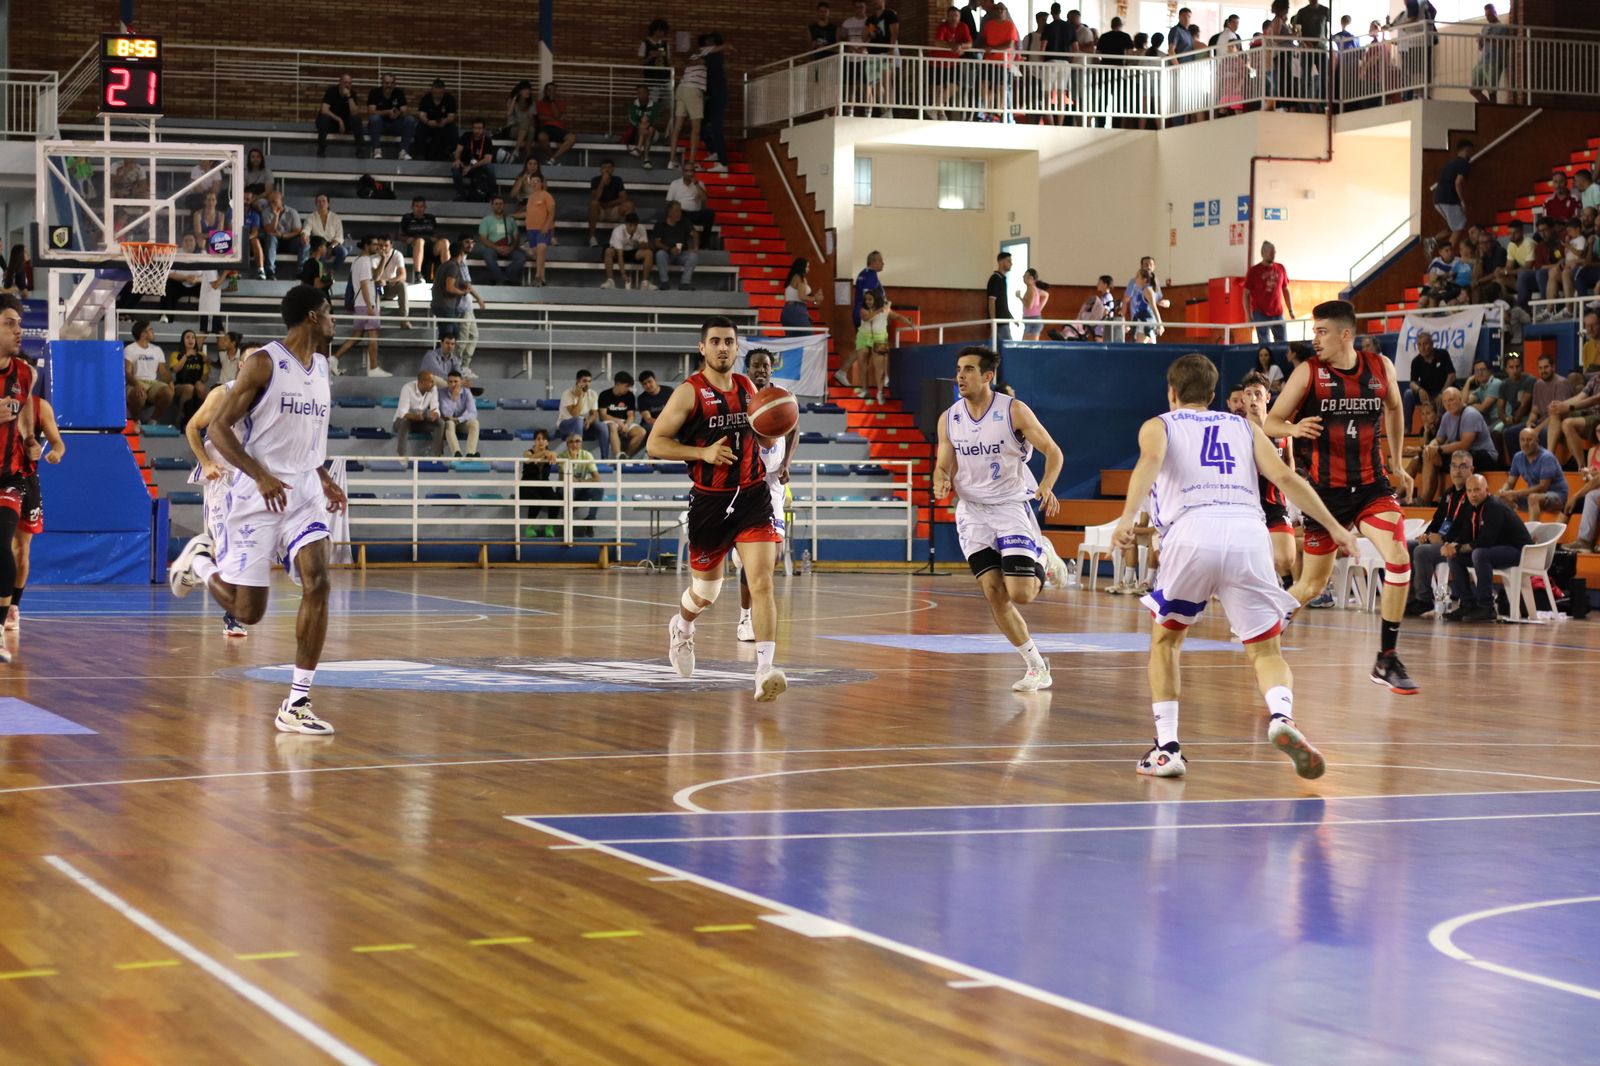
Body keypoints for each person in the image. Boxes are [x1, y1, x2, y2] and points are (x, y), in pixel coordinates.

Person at [1116, 355, 1356, 779]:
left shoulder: (1160, 424)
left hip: (1191, 531)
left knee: (1166, 642)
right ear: (1213, 396)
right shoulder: (1245, 426)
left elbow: (1149, 464)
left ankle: (1167, 748)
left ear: (1171, 392)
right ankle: (1282, 717)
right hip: (1248, 532)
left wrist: (1126, 516)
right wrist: (1335, 527)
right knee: (1265, 648)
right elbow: (1286, 478)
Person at [165, 286, 345, 735]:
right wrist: (259, 474)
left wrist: (323, 477)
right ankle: (199, 564)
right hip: (257, 493)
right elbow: (220, 430)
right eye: (328, 313)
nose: (333, 321)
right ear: (310, 317)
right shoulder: (263, 362)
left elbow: (304, 436)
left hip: (303, 490)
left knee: (319, 581)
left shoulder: (322, 366)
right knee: (249, 613)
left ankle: (297, 702)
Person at [1265, 300, 1418, 695]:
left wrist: (1398, 462)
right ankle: (1262, 633)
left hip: (1372, 487)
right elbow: (1271, 421)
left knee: (1399, 558)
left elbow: (1396, 409)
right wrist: (1295, 429)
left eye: (1321, 332)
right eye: (1314, 332)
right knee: (1312, 586)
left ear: (1345, 334)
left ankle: (1387, 657)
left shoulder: (1380, 368)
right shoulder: (1308, 374)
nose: (1314, 339)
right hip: (1326, 496)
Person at [646, 317, 790, 702]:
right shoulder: (689, 393)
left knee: (762, 581)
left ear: (737, 347)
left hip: (753, 496)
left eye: (729, 341)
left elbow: (762, 433)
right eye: (715, 341)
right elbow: (655, 444)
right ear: (702, 348)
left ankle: (764, 670)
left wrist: (774, 424)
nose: (723, 347)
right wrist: (702, 452)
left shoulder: (747, 387)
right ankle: (682, 626)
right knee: (705, 592)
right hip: (710, 502)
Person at [932, 346, 1070, 692]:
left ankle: (1042, 552)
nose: (960, 376)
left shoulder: (1014, 411)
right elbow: (944, 460)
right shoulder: (949, 418)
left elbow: (1053, 451)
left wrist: (1047, 486)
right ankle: (1036, 666)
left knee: (1020, 594)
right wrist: (941, 478)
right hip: (973, 512)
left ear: (987, 376)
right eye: (958, 369)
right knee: (994, 593)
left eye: (968, 370)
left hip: (1010, 506)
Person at [736, 348, 800, 643]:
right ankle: (745, 618)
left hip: (773, 483)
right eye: (756, 365)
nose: (761, 370)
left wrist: (786, 464)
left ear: (771, 369)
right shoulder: (739, 397)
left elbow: (794, 430)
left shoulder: (783, 398)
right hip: (746, 484)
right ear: (747, 369)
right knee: (754, 561)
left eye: (766, 366)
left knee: (772, 557)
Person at [182, 382, 248, 638]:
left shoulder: (267, 397)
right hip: (221, 476)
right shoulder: (222, 394)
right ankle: (233, 616)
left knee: (244, 545)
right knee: (226, 545)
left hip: (248, 477)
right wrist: (205, 462)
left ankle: (197, 560)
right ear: (243, 365)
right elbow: (191, 427)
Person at [1442, 474, 1531, 622]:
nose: (1473, 494)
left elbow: (1486, 540)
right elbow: (1465, 533)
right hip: (1498, 550)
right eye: (1469, 491)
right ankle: (1467, 604)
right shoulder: (1473, 507)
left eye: (1477, 490)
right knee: (1455, 557)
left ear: (1487, 490)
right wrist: (1452, 545)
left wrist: (1459, 548)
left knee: (1480, 554)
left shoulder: (1494, 506)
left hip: (1519, 551)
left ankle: (1487, 607)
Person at [8, 393, 63, 633]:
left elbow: (58, 442)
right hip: (2, 479)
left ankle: (13, 607)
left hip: (26, 481)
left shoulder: (40, 406)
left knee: (21, 549)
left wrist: (55, 453)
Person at [1240, 371, 1297, 582]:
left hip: (1275, 502)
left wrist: (1289, 486)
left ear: (1267, 397)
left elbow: (1289, 459)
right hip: (1246, 505)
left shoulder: (1284, 428)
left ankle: (1287, 596)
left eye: (1257, 393)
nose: (1253, 398)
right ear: (1243, 398)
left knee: (1285, 559)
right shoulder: (1237, 429)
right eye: (1248, 394)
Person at [1404, 450, 1475, 617]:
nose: (1457, 471)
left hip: (1458, 545)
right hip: (1441, 541)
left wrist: (1444, 539)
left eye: (1463, 467)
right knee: (1409, 545)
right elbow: (1437, 521)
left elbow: (1468, 529)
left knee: (1422, 551)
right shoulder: (1449, 494)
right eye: (1454, 466)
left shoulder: (1473, 493)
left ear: (1471, 470)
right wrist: (1426, 535)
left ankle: (1424, 600)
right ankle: (1410, 598)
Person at [1499, 426, 1567, 518]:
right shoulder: (1517, 457)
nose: (1525, 443)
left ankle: (1533, 531)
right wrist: (1503, 491)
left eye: (1529, 440)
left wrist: (1515, 493)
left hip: (1556, 496)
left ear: (1537, 441)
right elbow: (1510, 482)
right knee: (1500, 499)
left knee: (1533, 498)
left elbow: (1543, 487)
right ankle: (1512, 529)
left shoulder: (1547, 457)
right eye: (1522, 440)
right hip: (1533, 495)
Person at [1244, 241, 1295, 343]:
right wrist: (1248, 315)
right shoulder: (1254, 271)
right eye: (1270, 253)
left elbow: (1285, 289)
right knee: (1264, 343)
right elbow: (1246, 293)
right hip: (1260, 312)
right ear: (1263, 253)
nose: (1273, 255)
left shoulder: (1280, 268)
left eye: (1274, 252)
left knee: (1282, 342)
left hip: (1277, 312)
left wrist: (1290, 310)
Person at [124, 319, 172, 423]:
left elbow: (163, 371)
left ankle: (153, 421)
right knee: (139, 396)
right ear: (143, 333)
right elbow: (127, 372)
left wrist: (170, 382)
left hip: (153, 383)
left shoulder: (157, 349)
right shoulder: (130, 349)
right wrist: (136, 384)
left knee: (168, 392)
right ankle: (136, 421)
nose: (153, 332)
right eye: (150, 330)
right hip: (136, 381)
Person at [520, 429, 561, 538]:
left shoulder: (550, 453)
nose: (541, 441)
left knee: (556, 500)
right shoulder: (527, 452)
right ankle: (529, 527)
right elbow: (529, 459)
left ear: (547, 442)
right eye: (538, 439)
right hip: (527, 485)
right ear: (534, 441)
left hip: (544, 485)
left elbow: (555, 455)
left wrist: (553, 453)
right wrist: (544, 453)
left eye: (544, 439)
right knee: (536, 499)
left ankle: (550, 526)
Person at [366, 72, 417, 160]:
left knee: (410, 120)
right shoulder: (374, 92)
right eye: (386, 83)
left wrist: (399, 113)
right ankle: (376, 150)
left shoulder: (399, 93)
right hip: (380, 125)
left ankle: (403, 151)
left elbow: (405, 110)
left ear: (394, 84)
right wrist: (387, 112)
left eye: (391, 83)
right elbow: (371, 112)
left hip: (396, 124)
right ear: (382, 83)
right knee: (374, 119)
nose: (389, 85)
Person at [394, 370, 444, 457]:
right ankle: (401, 455)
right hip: (401, 422)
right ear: (421, 382)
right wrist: (415, 416)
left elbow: (435, 406)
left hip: (420, 422)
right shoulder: (407, 388)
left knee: (440, 423)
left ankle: (437, 456)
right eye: (431, 382)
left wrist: (435, 414)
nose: (433, 384)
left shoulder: (433, 389)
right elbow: (402, 412)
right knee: (405, 421)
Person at [168, 329, 210, 429]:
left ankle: (203, 420)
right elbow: (175, 369)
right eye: (187, 337)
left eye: (193, 337)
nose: (190, 340)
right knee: (189, 388)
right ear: (183, 340)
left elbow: (205, 377)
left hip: (196, 384)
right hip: (180, 385)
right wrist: (186, 356)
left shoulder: (201, 356)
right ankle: (181, 417)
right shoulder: (176, 354)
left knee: (202, 389)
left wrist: (207, 366)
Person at [315, 73, 365, 158]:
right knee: (324, 118)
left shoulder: (352, 94)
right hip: (332, 122)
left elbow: (354, 113)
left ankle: (360, 151)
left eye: (349, 83)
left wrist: (349, 97)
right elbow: (324, 110)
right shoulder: (331, 91)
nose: (347, 85)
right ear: (340, 83)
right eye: (345, 82)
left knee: (356, 119)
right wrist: (339, 120)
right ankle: (321, 149)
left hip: (346, 124)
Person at [654, 202, 700, 292]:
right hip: (667, 253)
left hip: (681, 253)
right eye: (676, 211)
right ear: (669, 212)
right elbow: (657, 243)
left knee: (694, 256)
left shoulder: (684, 221)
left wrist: (695, 247)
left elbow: (694, 234)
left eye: (680, 211)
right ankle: (664, 282)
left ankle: (685, 283)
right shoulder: (660, 224)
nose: (679, 213)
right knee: (660, 254)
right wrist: (670, 249)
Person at [522, 175, 556, 288]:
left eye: (537, 181)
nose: (535, 183)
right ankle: (543, 277)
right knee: (537, 255)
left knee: (541, 249)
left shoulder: (546, 195)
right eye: (532, 181)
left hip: (543, 228)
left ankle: (538, 277)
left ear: (542, 183)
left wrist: (546, 226)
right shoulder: (531, 197)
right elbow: (528, 213)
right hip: (531, 229)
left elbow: (551, 212)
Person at [452, 119, 498, 203]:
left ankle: (493, 194)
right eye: (475, 128)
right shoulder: (466, 136)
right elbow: (458, 150)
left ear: (484, 129)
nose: (477, 130)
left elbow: (488, 159)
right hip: (465, 164)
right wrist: (457, 160)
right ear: (472, 128)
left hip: (478, 166)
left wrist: (471, 167)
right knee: (455, 167)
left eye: (479, 128)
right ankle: (460, 194)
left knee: (490, 167)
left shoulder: (487, 140)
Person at [439, 370, 480, 458]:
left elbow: (473, 412)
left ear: (461, 382)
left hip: (460, 421)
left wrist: (459, 419)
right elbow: (446, 414)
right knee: (449, 423)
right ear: (447, 382)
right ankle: (456, 453)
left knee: (474, 423)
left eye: (456, 381)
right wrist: (453, 399)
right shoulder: (442, 393)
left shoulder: (466, 392)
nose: (453, 384)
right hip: (448, 423)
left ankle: (470, 453)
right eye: (450, 382)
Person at [535, 82, 578, 164]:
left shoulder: (560, 103)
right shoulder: (539, 103)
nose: (551, 93)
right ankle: (554, 159)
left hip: (557, 128)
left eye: (553, 91)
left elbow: (557, 114)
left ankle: (553, 159)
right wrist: (554, 119)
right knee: (541, 138)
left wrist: (552, 101)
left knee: (572, 138)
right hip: (544, 127)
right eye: (549, 90)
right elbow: (540, 118)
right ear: (545, 91)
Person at [782, 257, 817, 335]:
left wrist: (814, 301)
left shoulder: (794, 278)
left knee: (793, 340)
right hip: (796, 311)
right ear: (802, 267)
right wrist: (815, 299)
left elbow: (801, 299)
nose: (808, 269)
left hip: (791, 310)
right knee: (808, 338)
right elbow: (802, 297)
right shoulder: (799, 277)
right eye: (807, 266)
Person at [1021, 269, 1049, 339]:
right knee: (1029, 345)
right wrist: (1039, 308)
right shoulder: (1035, 289)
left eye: (1025, 276)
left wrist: (1019, 297)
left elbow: (1028, 306)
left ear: (1030, 278)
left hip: (1032, 320)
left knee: (1028, 345)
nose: (1023, 277)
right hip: (1032, 319)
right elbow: (1046, 294)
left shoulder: (1031, 289)